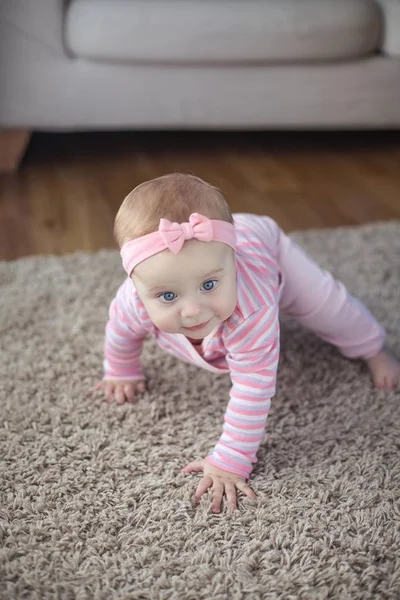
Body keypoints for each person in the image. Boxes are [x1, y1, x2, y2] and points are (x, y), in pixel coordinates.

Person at [95, 173, 400, 513]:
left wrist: (231, 460)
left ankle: (373, 346)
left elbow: (254, 383)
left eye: (209, 285)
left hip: (268, 244)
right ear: (135, 285)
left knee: (329, 307)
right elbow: (120, 334)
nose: (193, 311)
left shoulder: (251, 310)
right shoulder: (131, 303)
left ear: (234, 259)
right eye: (168, 295)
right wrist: (121, 370)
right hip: (214, 249)